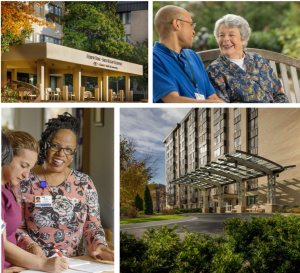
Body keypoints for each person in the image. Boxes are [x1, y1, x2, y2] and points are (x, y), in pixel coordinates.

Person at [11, 112, 114, 261]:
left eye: (68, 149)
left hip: (74, 265)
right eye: (55, 146)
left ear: (73, 153)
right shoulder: (23, 180)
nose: (61, 154)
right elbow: (16, 228)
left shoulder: (84, 183)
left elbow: (93, 226)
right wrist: (32, 247)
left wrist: (100, 245)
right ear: (45, 144)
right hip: (35, 263)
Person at [2, 131, 69, 273]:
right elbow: (3, 244)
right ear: (6, 157)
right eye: (23, 165)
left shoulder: (7, 188)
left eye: (29, 168)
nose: (26, 175)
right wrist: (43, 264)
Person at [206, 14, 289, 103]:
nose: (225, 39)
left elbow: (279, 94)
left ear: (243, 39)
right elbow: (224, 107)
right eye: (221, 35)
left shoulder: (258, 60)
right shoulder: (215, 70)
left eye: (231, 35)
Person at [153, 5, 225, 103]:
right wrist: (215, 103)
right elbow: (172, 100)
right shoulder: (153, 59)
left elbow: (213, 97)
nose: (193, 31)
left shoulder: (193, 56)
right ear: (176, 24)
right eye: (191, 25)